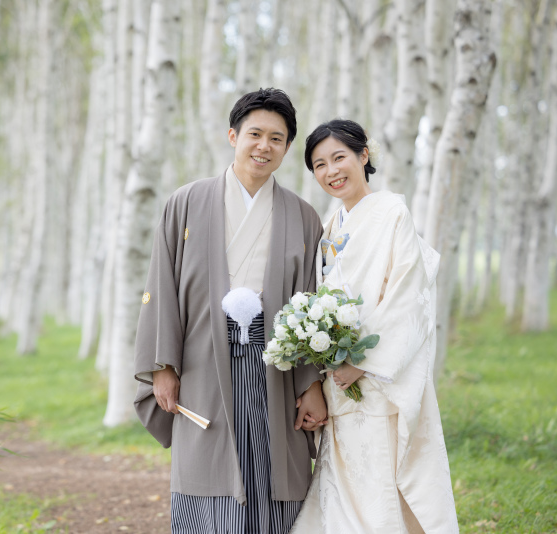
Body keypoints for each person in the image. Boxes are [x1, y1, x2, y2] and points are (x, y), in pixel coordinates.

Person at [132, 88, 327, 533]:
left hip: (274, 364)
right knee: (208, 465)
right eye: (254, 134)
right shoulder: (186, 202)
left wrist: (310, 383)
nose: (264, 146)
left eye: (276, 138)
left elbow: (310, 304)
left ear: (287, 148)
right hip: (203, 359)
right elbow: (161, 286)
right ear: (232, 135)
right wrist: (164, 365)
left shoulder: (303, 216)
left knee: (271, 466)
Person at [291, 119, 459, 533]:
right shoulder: (330, 227)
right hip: (338, 380)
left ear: (363, 156)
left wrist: (361, 363)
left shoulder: (391, 213)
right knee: (343, 481)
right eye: (319, 164)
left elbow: (407, 295)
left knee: (382, 484)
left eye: (339, 158)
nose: (331, 171)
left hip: (379, 377)